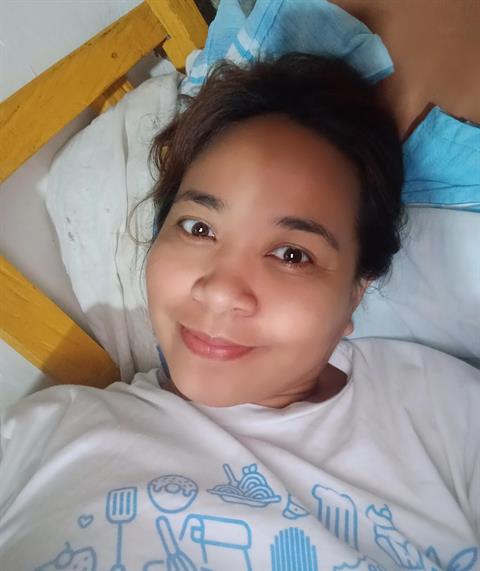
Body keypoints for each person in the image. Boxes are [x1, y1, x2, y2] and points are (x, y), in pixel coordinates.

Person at [0, 54, 478, 571]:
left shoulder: (441, 413)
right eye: (198, 228)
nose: (220, 291)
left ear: (356, 293)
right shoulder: (40, 439)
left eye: (292, 254)